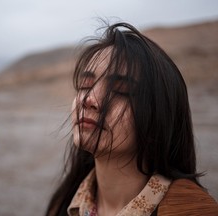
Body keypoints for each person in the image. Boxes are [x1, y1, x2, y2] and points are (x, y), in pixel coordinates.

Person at [45, 22, 218, 216]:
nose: (88, 99)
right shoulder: (63, 204)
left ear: (158, 115)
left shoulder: (194, 211)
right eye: (85, 85)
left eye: (120, 91)